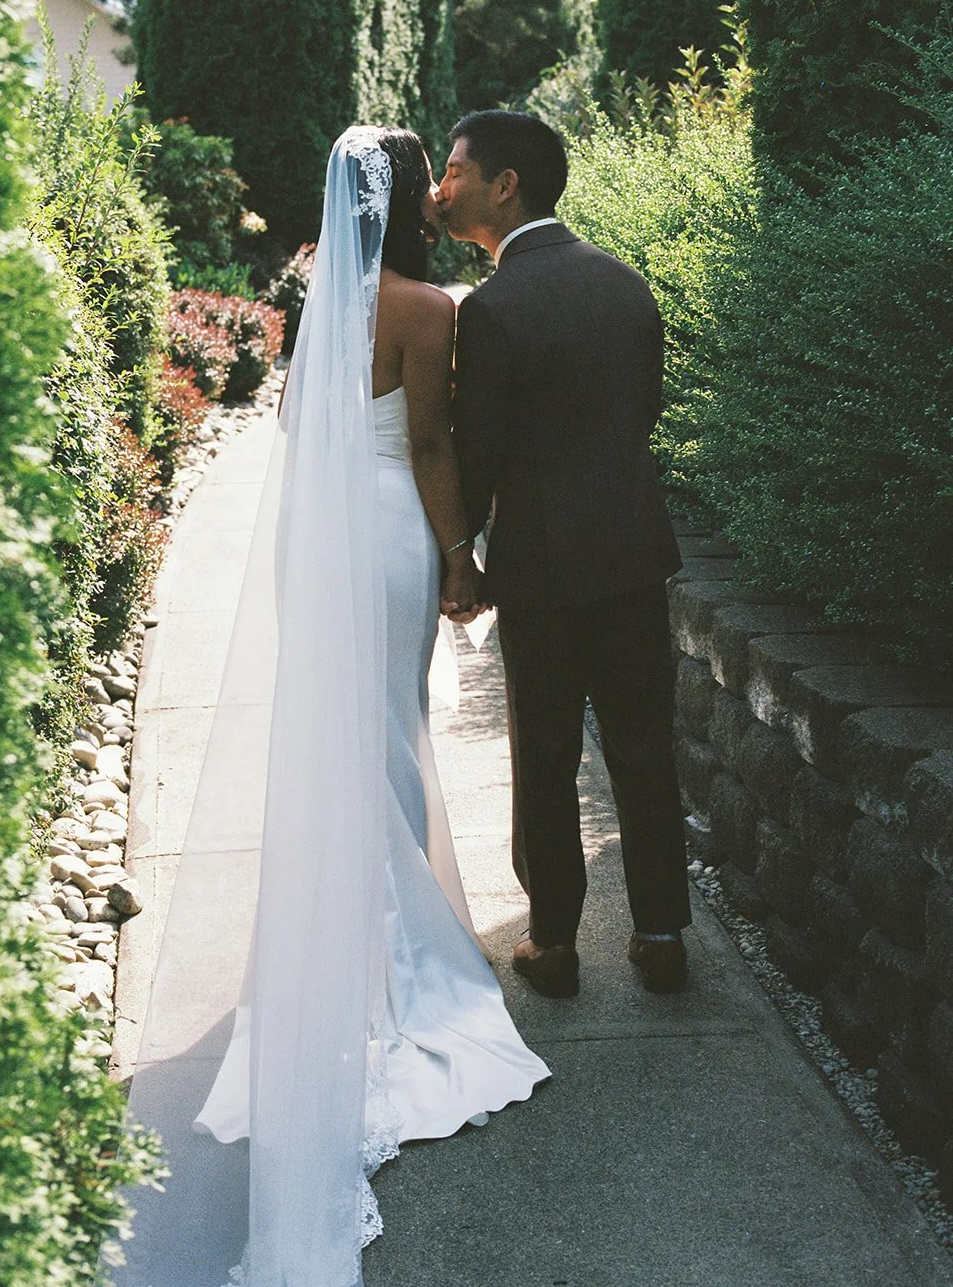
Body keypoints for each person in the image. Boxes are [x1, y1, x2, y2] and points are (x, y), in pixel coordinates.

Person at [120, 126, 546, 1287]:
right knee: (391, 729)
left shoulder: (322, 304)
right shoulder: (429, 307)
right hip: (394, 534)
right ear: (415, 197)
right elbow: (426, 442)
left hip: (326, 535)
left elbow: (312, 434)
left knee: (349, 734)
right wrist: (461, 554)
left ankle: (336, 935)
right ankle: (397, 957)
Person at [439, 109, 692, 1001]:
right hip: (630, 544)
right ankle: (662, 932)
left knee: (545, 750)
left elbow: (480, 450)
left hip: (541, 563)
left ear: (505, 185)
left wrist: (457, 554)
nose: (445, 185)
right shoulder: (626, 284)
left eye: (457, 170)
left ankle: (552, 943)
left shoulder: (496, 308)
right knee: (642, 741)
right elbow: (643, 413)